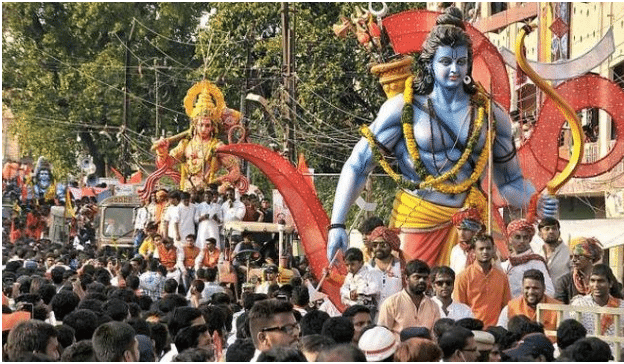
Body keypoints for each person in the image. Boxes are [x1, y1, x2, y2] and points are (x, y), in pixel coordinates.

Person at [327, 6, 556, 267]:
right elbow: (358, 165)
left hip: (474, 220)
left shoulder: (491, 115)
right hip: (418, 219)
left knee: (487, 297)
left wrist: (536, 199)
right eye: (446, 62)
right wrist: (337, 224)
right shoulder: (404, 109)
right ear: (429, 63)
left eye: (460, 62)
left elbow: (510, 181)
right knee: (410, 298)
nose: (454, 70)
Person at [151, 80, 243, 193]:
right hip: (185, 193)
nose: (204, 129)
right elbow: (166, 164)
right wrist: (162, 152)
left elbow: (235, 171)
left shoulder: (217, 146)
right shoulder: (185, 144)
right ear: (195, 125)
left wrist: (219, 182)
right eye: (201, 125)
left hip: (207, 194)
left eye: (207, 125)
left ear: (213, 127)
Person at [454, 234, 511, 327]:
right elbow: (459, 308)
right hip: (473, 330)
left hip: (497, 330)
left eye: (488, 248)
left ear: (493, 249)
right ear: (473, 251)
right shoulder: (463, 277)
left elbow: (506, 307)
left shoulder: (502, 277)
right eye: (481, 249)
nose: (485, 252)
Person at [570, 264, 624, 352]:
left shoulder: (621, 306)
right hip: (586, 352)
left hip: (616, 354)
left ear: (610, 284)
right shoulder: (578, 304)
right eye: (593, 280)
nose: (596, 285)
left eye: (601, 281)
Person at [377, 259, 440, 334]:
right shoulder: (391, 303)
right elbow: (383, 334)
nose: (422, 281)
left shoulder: (433, 306)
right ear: (406, 279)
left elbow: (434, 335)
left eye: (425, 278)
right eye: (417, 277)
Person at [497, 269, 561, 340]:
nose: (531, 292)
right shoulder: (510, 308)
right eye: (527, 288)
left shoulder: (559, 308)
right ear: (522, 289)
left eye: (535, 288)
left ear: (544, 288)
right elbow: (500, 335)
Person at [501, 219, 555, 298]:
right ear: (510, 239)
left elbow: (550, 292)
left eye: (525, 237)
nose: (522, 241)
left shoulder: (536, 262)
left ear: (529, 240)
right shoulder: (506, 265)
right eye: (517, 237)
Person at [555, 236, 603, 304]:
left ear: (591, 258)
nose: (573, 260)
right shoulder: (564, 282)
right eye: (572, 256)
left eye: (579, 257)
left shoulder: (603, 281)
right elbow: (559, 309)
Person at [367, 226, 404, 307]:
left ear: (391, 245)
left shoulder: (401, 267)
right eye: (375, 245)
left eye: (383, 245)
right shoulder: (366, 269)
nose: (378, 248)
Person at [340, 247, 380, 318]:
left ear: (361, 262)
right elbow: (343, 289)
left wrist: (358, 291)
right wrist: (350, 294)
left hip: (367, 307)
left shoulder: (369, 273)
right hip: (353, 306)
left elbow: (375, 289)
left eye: (352, 264)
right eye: (347, 265)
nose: (349, 268)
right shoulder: (349, 276)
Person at [536, 217, 570, 285]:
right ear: (540, 234)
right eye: (547, 229)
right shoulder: (537, 254)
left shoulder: (569, 253)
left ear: (559, 232)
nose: (551, 231)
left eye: (554, 228)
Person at [449, 207, 482, 275]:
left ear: (474, 231)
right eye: (459, 229)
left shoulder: (483, 249)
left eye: (466, 230)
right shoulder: (456, 250)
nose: (461, 233)